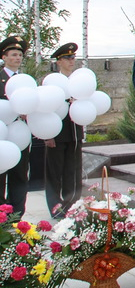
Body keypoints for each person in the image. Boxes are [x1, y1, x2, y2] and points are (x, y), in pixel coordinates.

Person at [44, 42, 84, 217]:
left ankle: (72, 205)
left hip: (74, 132)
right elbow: (45, 109)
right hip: (56, 133)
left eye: (73, 57)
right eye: (67, 58)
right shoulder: (52, 82)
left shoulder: (80, 81)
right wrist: (47, 134)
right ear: (58, 61)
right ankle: (55, 206)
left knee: (73, 172)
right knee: (55, 173)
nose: (71, 61)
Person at [0, 35, 30, 214]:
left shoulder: (25, 80)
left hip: (20, 134)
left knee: (20, 175)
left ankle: (18, 215)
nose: (17, 58)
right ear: (3, 57)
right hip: (2, 134)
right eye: (13, 54)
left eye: (20, 54)